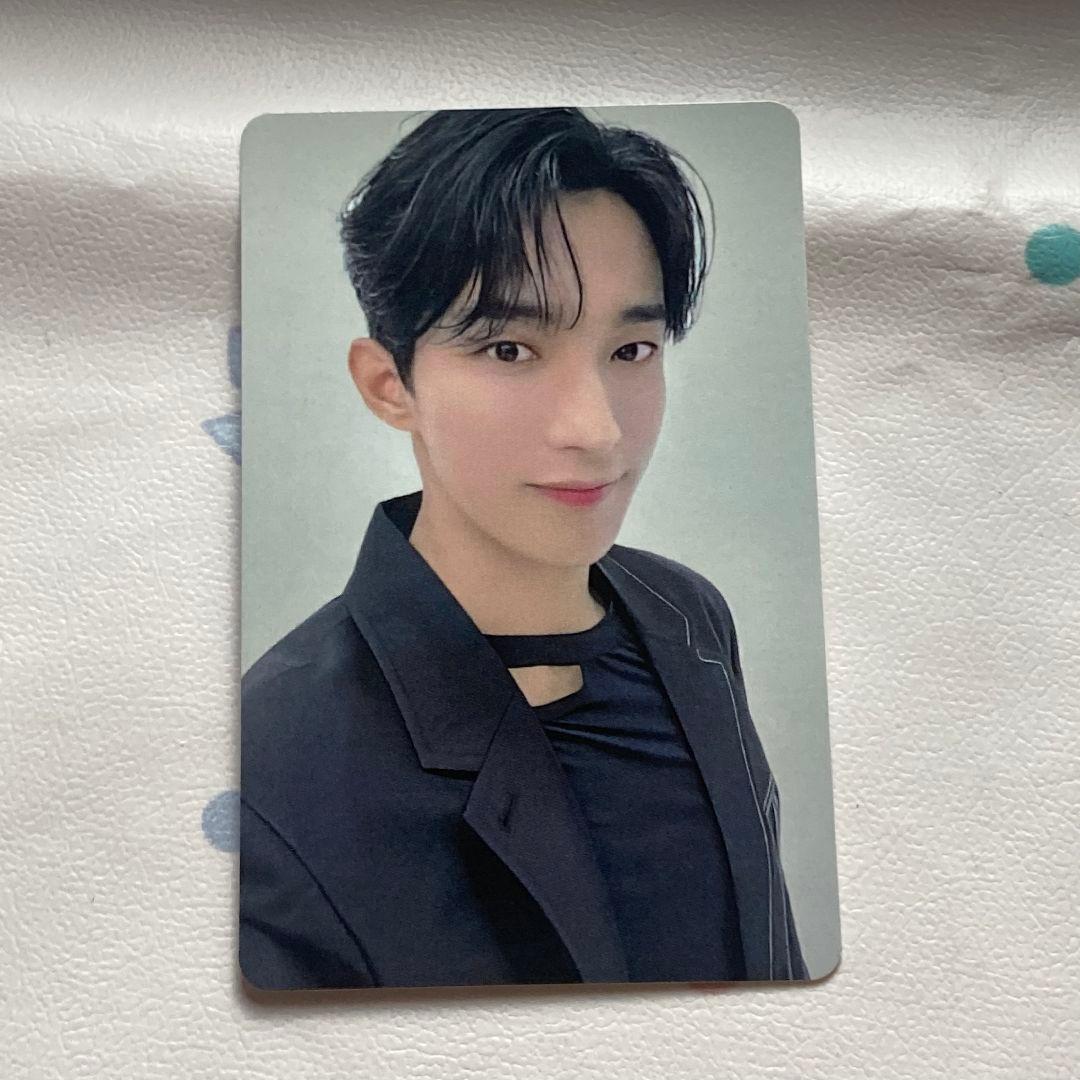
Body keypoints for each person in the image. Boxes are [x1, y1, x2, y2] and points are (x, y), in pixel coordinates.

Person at [239, 107, 808, 990]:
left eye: (631, 348)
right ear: (389, 385)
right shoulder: (276, 760)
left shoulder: (690, 616)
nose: (597, 429)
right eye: (511, 349)